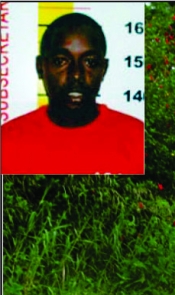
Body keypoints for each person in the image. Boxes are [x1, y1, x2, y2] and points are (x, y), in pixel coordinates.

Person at [1, 13, 144, 175]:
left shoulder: (137, 138)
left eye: (90, 62)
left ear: (103, 69)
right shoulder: (8, 141)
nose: (76, 74)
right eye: (61, 61)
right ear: (41, 67)